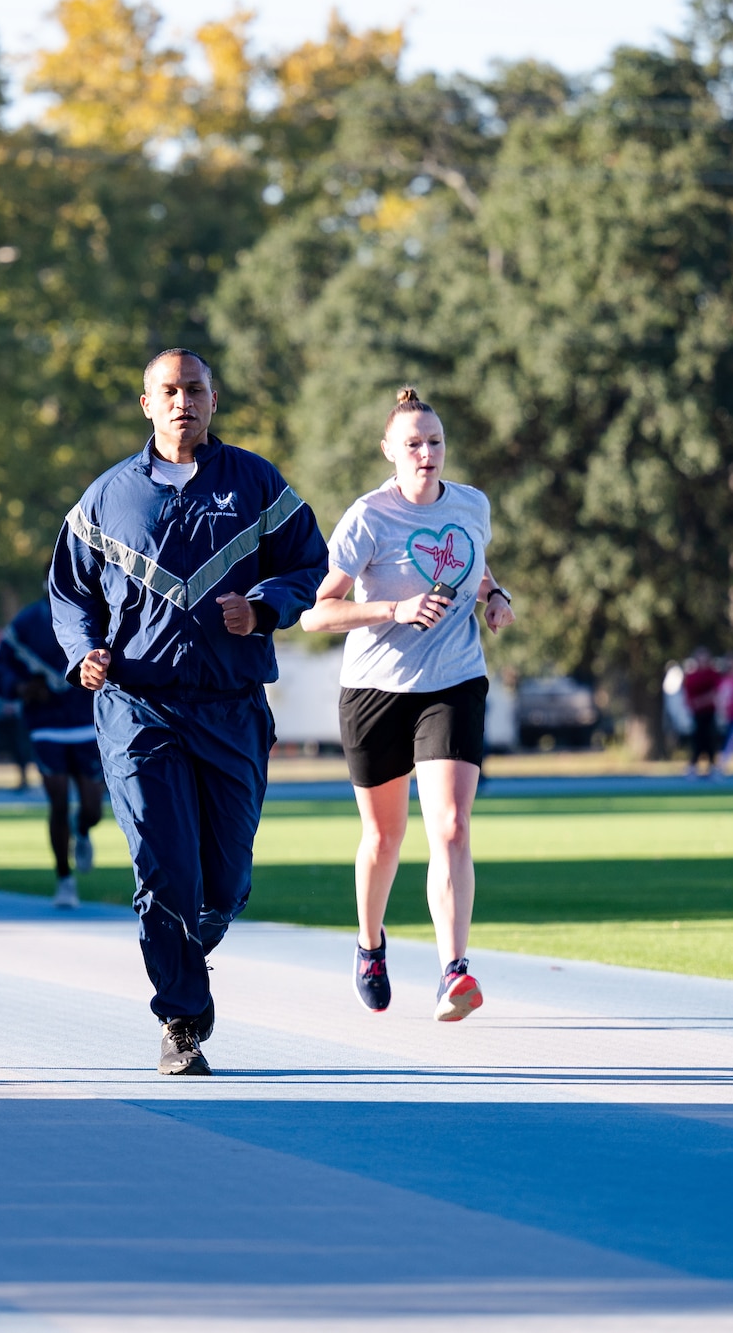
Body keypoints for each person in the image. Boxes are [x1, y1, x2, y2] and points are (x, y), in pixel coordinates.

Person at [49, 349, 328, 1076]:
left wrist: (265, 605)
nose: (183, 401)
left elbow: (310, 561)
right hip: (137, 709)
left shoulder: (256, 482)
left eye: (195, 389)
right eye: (168, 391)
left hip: (232, 707)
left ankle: (182, 953)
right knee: (164, 866)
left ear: (214, 398)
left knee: (225, 882)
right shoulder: (107, 498)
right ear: (147, 403)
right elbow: (70, 593)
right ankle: (180, 1017)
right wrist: (85, 650)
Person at [299, 388, 517, 1022]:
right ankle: (370, 946)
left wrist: (495, 593)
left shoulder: (473, 505)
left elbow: (473, 566)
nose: (427, 454)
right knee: (385, 835)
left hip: (453, 681)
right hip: (375, 690)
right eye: (414, 444)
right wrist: (393, 609)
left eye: (436, 442)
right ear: (390, 451)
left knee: (450, 826)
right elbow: (317, 613)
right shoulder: (368, 518)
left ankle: (454, 971)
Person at [0, 592, 103, 909]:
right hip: (46, 724)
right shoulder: (26, 622)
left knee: (93, 806)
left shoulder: (94, 612)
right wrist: (21, 688)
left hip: (86, 720)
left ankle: (83, 831)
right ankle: (64, 879)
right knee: (58, 801)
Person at [681, 648, 721, 778]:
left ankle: (713, 768)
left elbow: (716, 693)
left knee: (710, 739)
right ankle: (693, 767)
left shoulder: (713, 674)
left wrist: (702, 701)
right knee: (697, 740)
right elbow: (687, 694)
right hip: (697, 714)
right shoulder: (692, 676)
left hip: (709, 713)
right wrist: (693, 704)